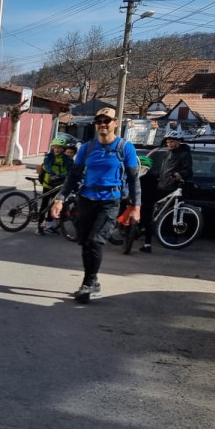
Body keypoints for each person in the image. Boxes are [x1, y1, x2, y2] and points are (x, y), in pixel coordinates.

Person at [50, 108, 141, 303]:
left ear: (115, 122)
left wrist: (136, 206)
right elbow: (74, 176)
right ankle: (93, 280)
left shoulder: (125, 148)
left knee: (95, 241)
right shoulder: (87, 148)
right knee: (84, 242)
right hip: (86, 199)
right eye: (99, 121)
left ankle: (88, 283)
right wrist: (60, 199)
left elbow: (134, 179)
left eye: (107, 121)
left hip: (110, 201)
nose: (102, 124)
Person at [37, 136, 73, 234]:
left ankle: (49, 225)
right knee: (44, 204)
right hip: (48, 184)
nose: (57, 149)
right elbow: (47, 166)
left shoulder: (66, 159)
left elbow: (69, 171)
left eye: (59, 148)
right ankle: (40, 225)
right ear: (53, 147)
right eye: (55, 147)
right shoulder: (49, 156)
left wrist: (60, 176)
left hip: (59, 185)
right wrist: (52, 174)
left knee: (53, 205)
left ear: (63, 149)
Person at [136, 154, 158, 253]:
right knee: (147, 222)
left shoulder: (135, 175)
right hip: (147, 202)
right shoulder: (153, 177)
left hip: (141, 201)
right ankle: (147, 244)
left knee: (145, 221)